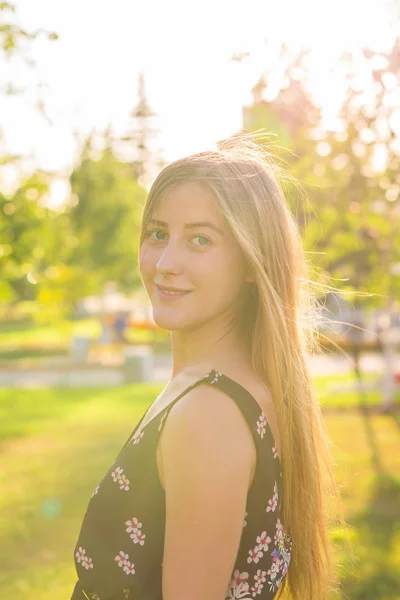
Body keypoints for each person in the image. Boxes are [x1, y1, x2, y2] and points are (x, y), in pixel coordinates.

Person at [71, 136, 341, 600]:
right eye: (158, 233)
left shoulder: (208, 415)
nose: (166, 263)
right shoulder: (234, 388)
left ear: (253, 263)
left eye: (200, 240)